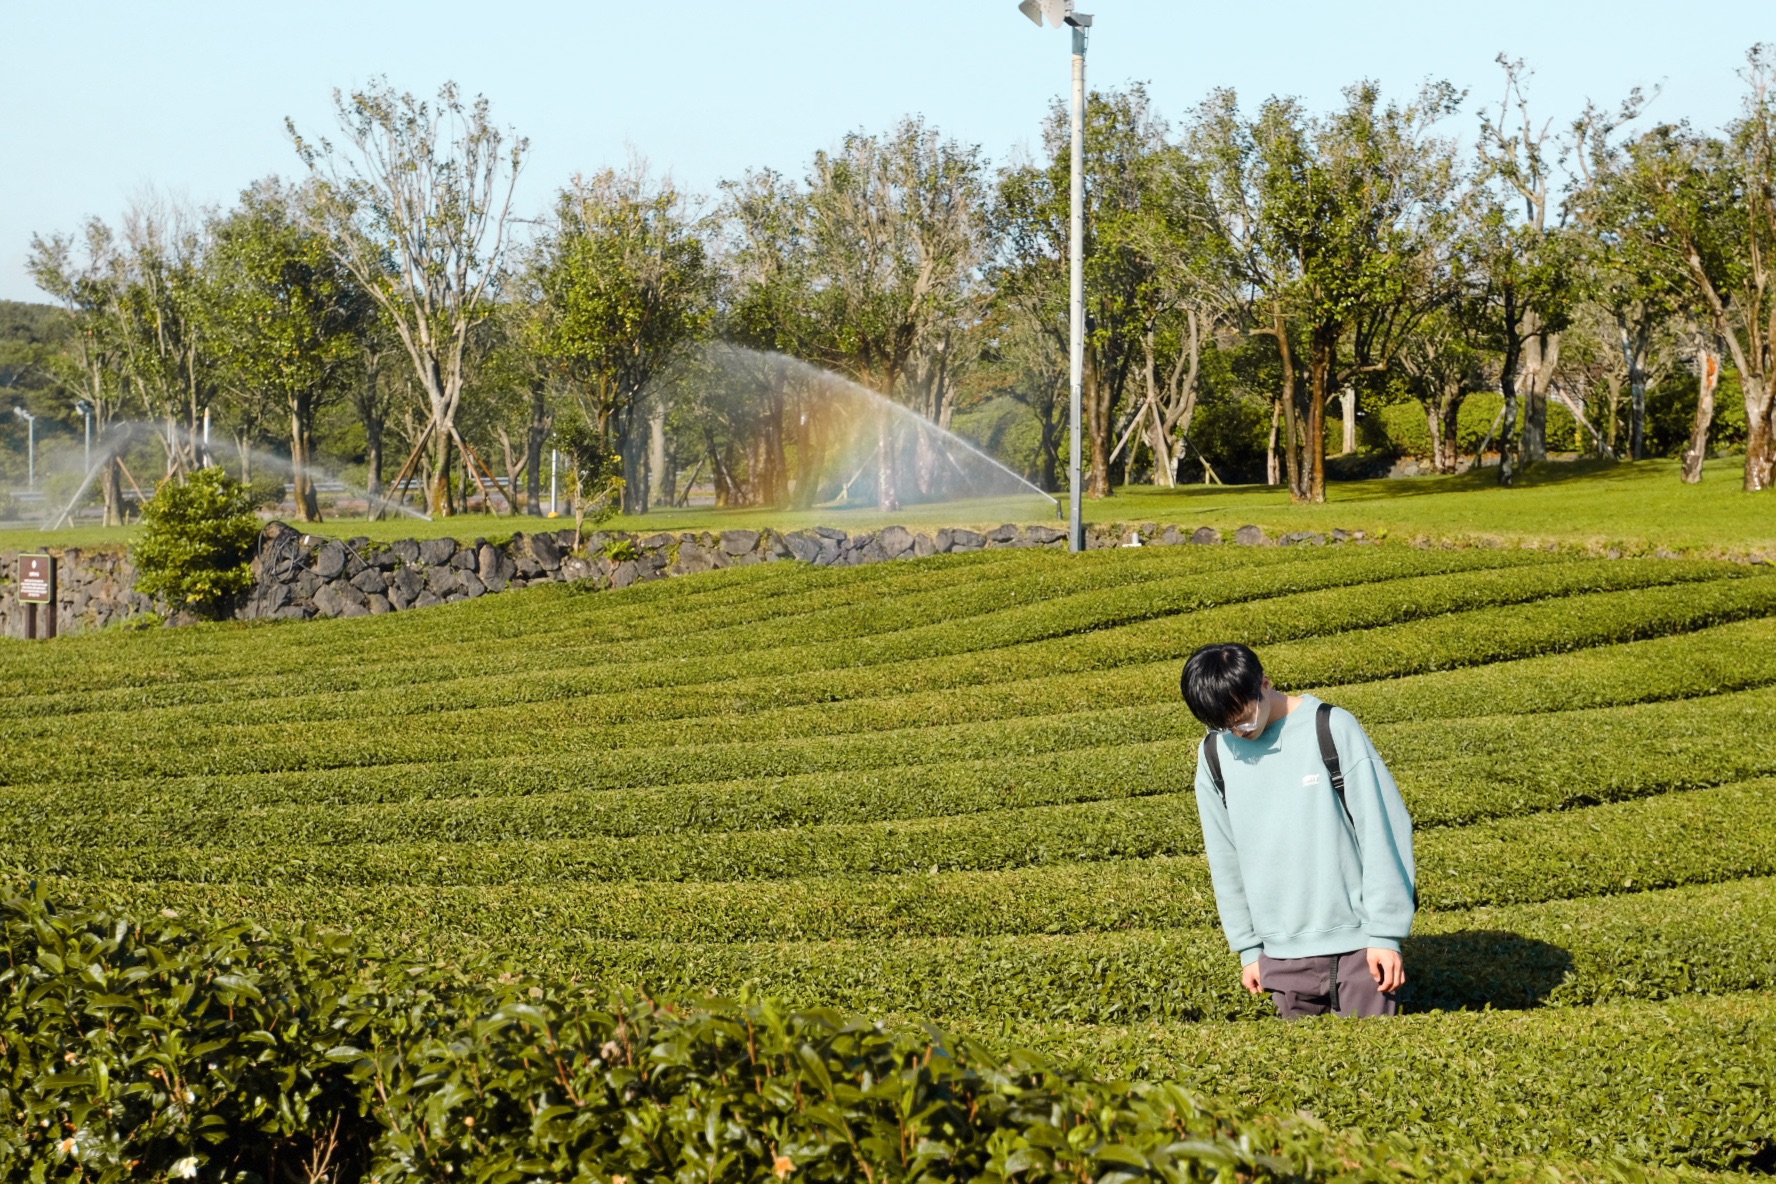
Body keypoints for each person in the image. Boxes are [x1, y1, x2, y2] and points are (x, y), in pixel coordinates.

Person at [1180, 642, 1416, 1019]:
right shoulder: (1214, 754)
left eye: (1241, 718)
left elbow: (1381, 828)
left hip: (1358, 952)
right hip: (1278, 958)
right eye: (1222, 724)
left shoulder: (1331, 726)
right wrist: (1248, 949)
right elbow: (1225, 857)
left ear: (1265, 684)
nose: (1236, 732)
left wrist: (1385, 935)